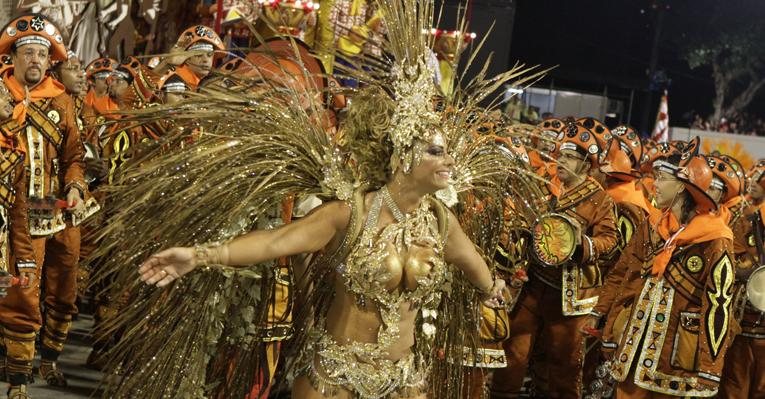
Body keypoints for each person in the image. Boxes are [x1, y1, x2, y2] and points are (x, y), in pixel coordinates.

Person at [592, 142, 736, 398]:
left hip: (675, 362)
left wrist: (709, 368)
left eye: (661, 178)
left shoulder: (716, 240)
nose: (653, 184)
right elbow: (625, 274)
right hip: (632, 350)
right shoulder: (653, 224)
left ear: (682, 186)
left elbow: (718, 307)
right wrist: (605, 318)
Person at [491, 121, 619, 398]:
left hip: (570, 297)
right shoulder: (546, 186)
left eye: (569, 157)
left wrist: (579, 245)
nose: (560, 161)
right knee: (513, 354)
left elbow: (610, 242)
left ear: (586, 165)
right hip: (533, 284)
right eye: (560, 155)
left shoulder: (600, 199)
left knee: (564, 366)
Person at [0, 14, 87, 398]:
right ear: (14, 59)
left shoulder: (63, 101)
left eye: (41, 54)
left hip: (54, 204)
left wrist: (76, 186)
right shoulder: (1, 97)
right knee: (22, 288)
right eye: (28, 53)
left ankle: (49, 359)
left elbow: (74, 156)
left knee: (64, 284)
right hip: (15, 209)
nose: (35, 60)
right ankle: (18, 380)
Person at [718, 160, 765, 398]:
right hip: (743, 314)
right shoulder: (743, 215)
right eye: (753, 178)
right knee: (734, 383)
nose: (754, 183)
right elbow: (732, 254)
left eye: (760, 179)